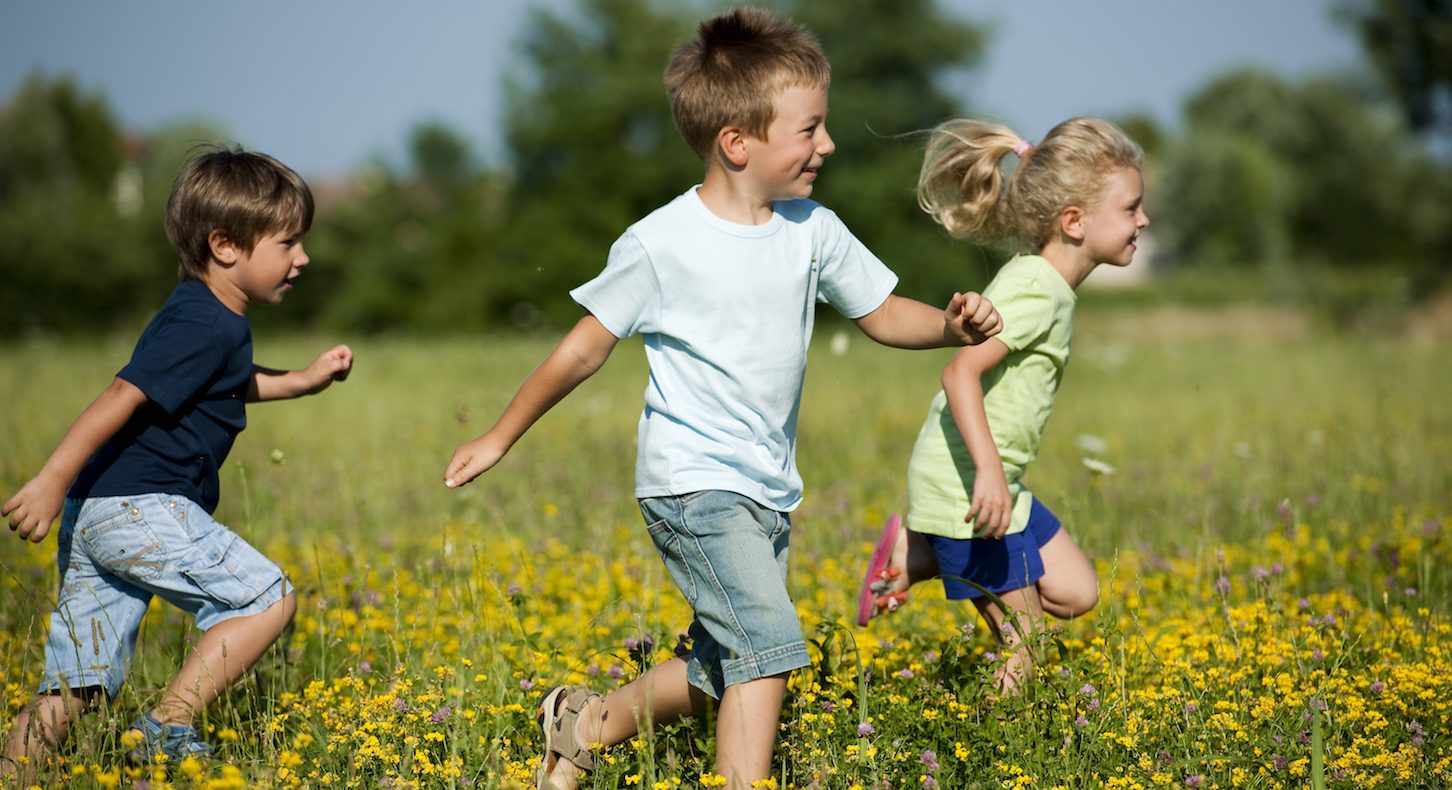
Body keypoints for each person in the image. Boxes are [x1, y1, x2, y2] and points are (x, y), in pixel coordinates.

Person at [442, 8, 1001, 788]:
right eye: (809, 130)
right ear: (738, 143)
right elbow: (582, 347)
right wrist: (500, 436)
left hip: (767, 490)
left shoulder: (814, 230)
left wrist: (950, 323)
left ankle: (583, 725)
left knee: (723, 664)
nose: (828, 146)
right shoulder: (661, 243)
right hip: (692, 484)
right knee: (770, 643)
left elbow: (881, 314)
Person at [1, 146, 353, 780]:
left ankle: (12, 771)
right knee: (265, 601)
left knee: (78, 684)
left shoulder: (208, 320)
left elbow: (224, 383)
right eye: (288, 243)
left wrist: (301, 380)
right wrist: (50, 478)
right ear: (226, 246)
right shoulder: (202, 323)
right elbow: (120, 397)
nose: (303, 258)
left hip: (102, 510)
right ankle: (170, 725)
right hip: (142, 504)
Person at [856, 117, 1149, 693]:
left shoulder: (1051, 287)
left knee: (1077, 592)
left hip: (997, 482)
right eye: (1131, 207)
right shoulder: (1036, 288)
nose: (1144, 219)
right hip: (972, 486)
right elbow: (959, 371)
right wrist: (988, 473)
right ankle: (992, 757)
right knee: (1028, 644)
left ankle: (915, 555)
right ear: (1074, 221)